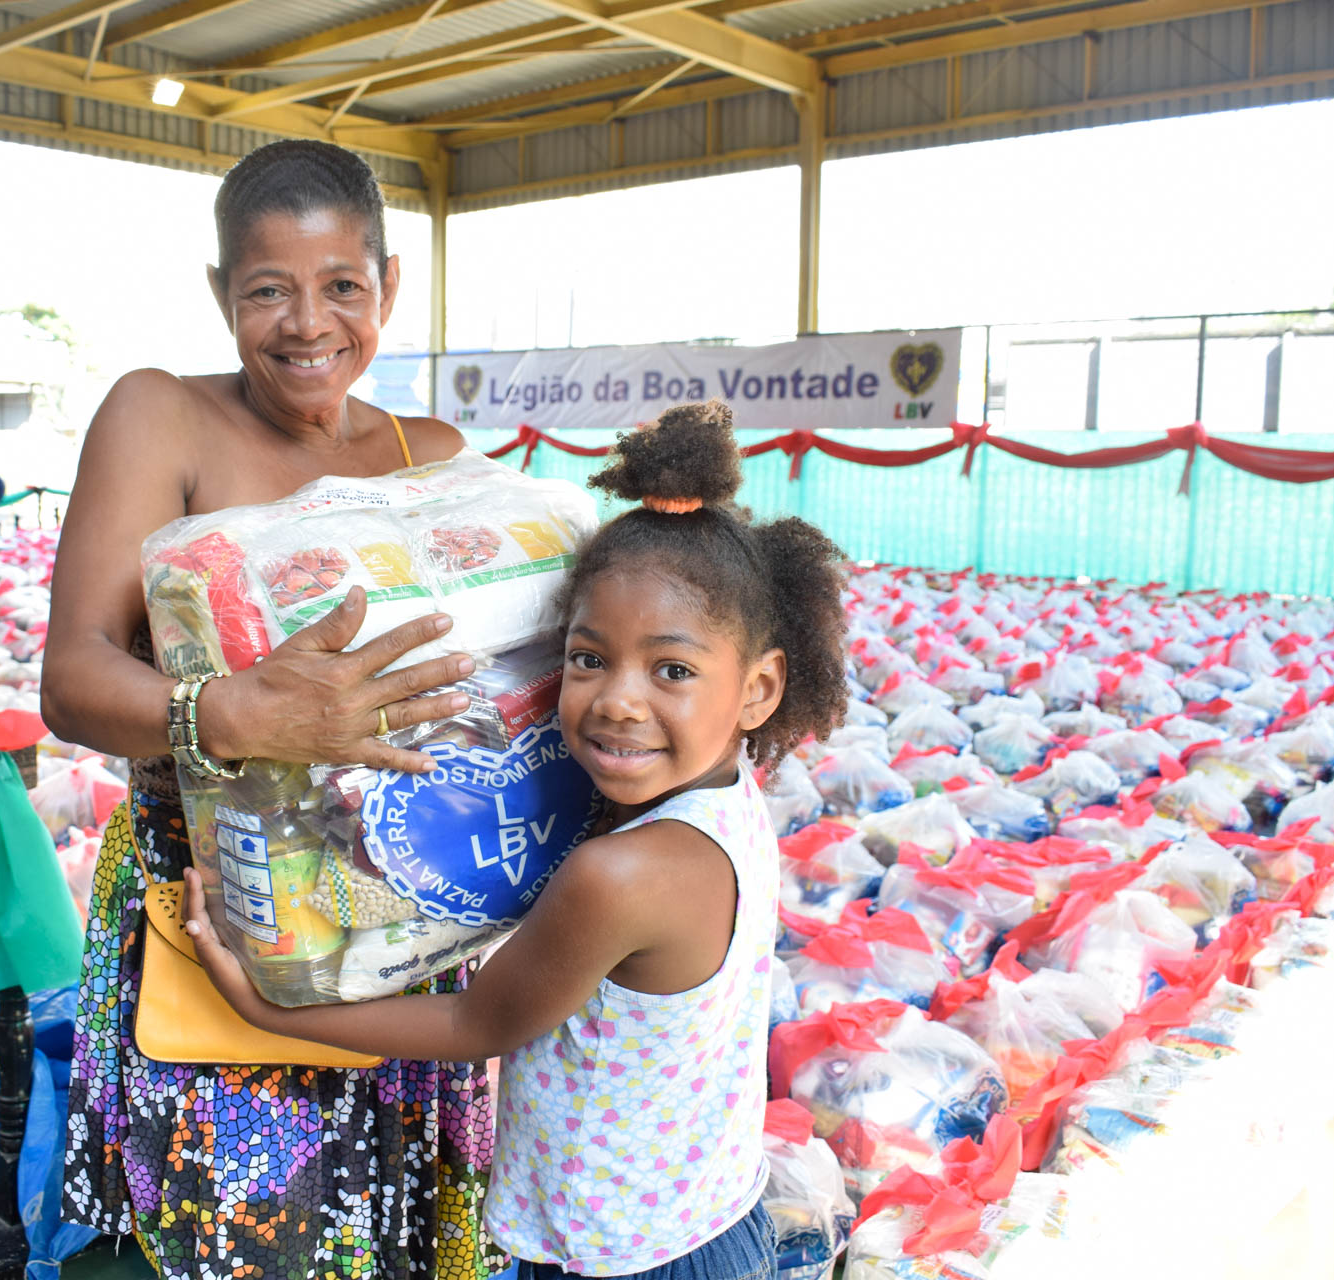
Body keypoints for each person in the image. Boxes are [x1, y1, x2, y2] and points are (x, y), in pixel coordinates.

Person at [180, 403, 850, 1280]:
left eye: (672, 670)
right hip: (713, 1220)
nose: (617, 699)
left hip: (624, 1263)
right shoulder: (722, 801)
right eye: (586, 658)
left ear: (759, 689)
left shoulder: (623, 873)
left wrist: (264, 1008)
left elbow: (474, 1018)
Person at [45, 138, 498, 1280]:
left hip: (405, 912)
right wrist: (238, 715)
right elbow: (74, 677)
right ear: (220, 294)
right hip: (216, 901)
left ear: (388, 287)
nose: (308, 323)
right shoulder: (162, 419)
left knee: (386, 1228)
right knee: (243, 1228)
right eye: (268, 290)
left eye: (343, 284)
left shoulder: (433, 457)